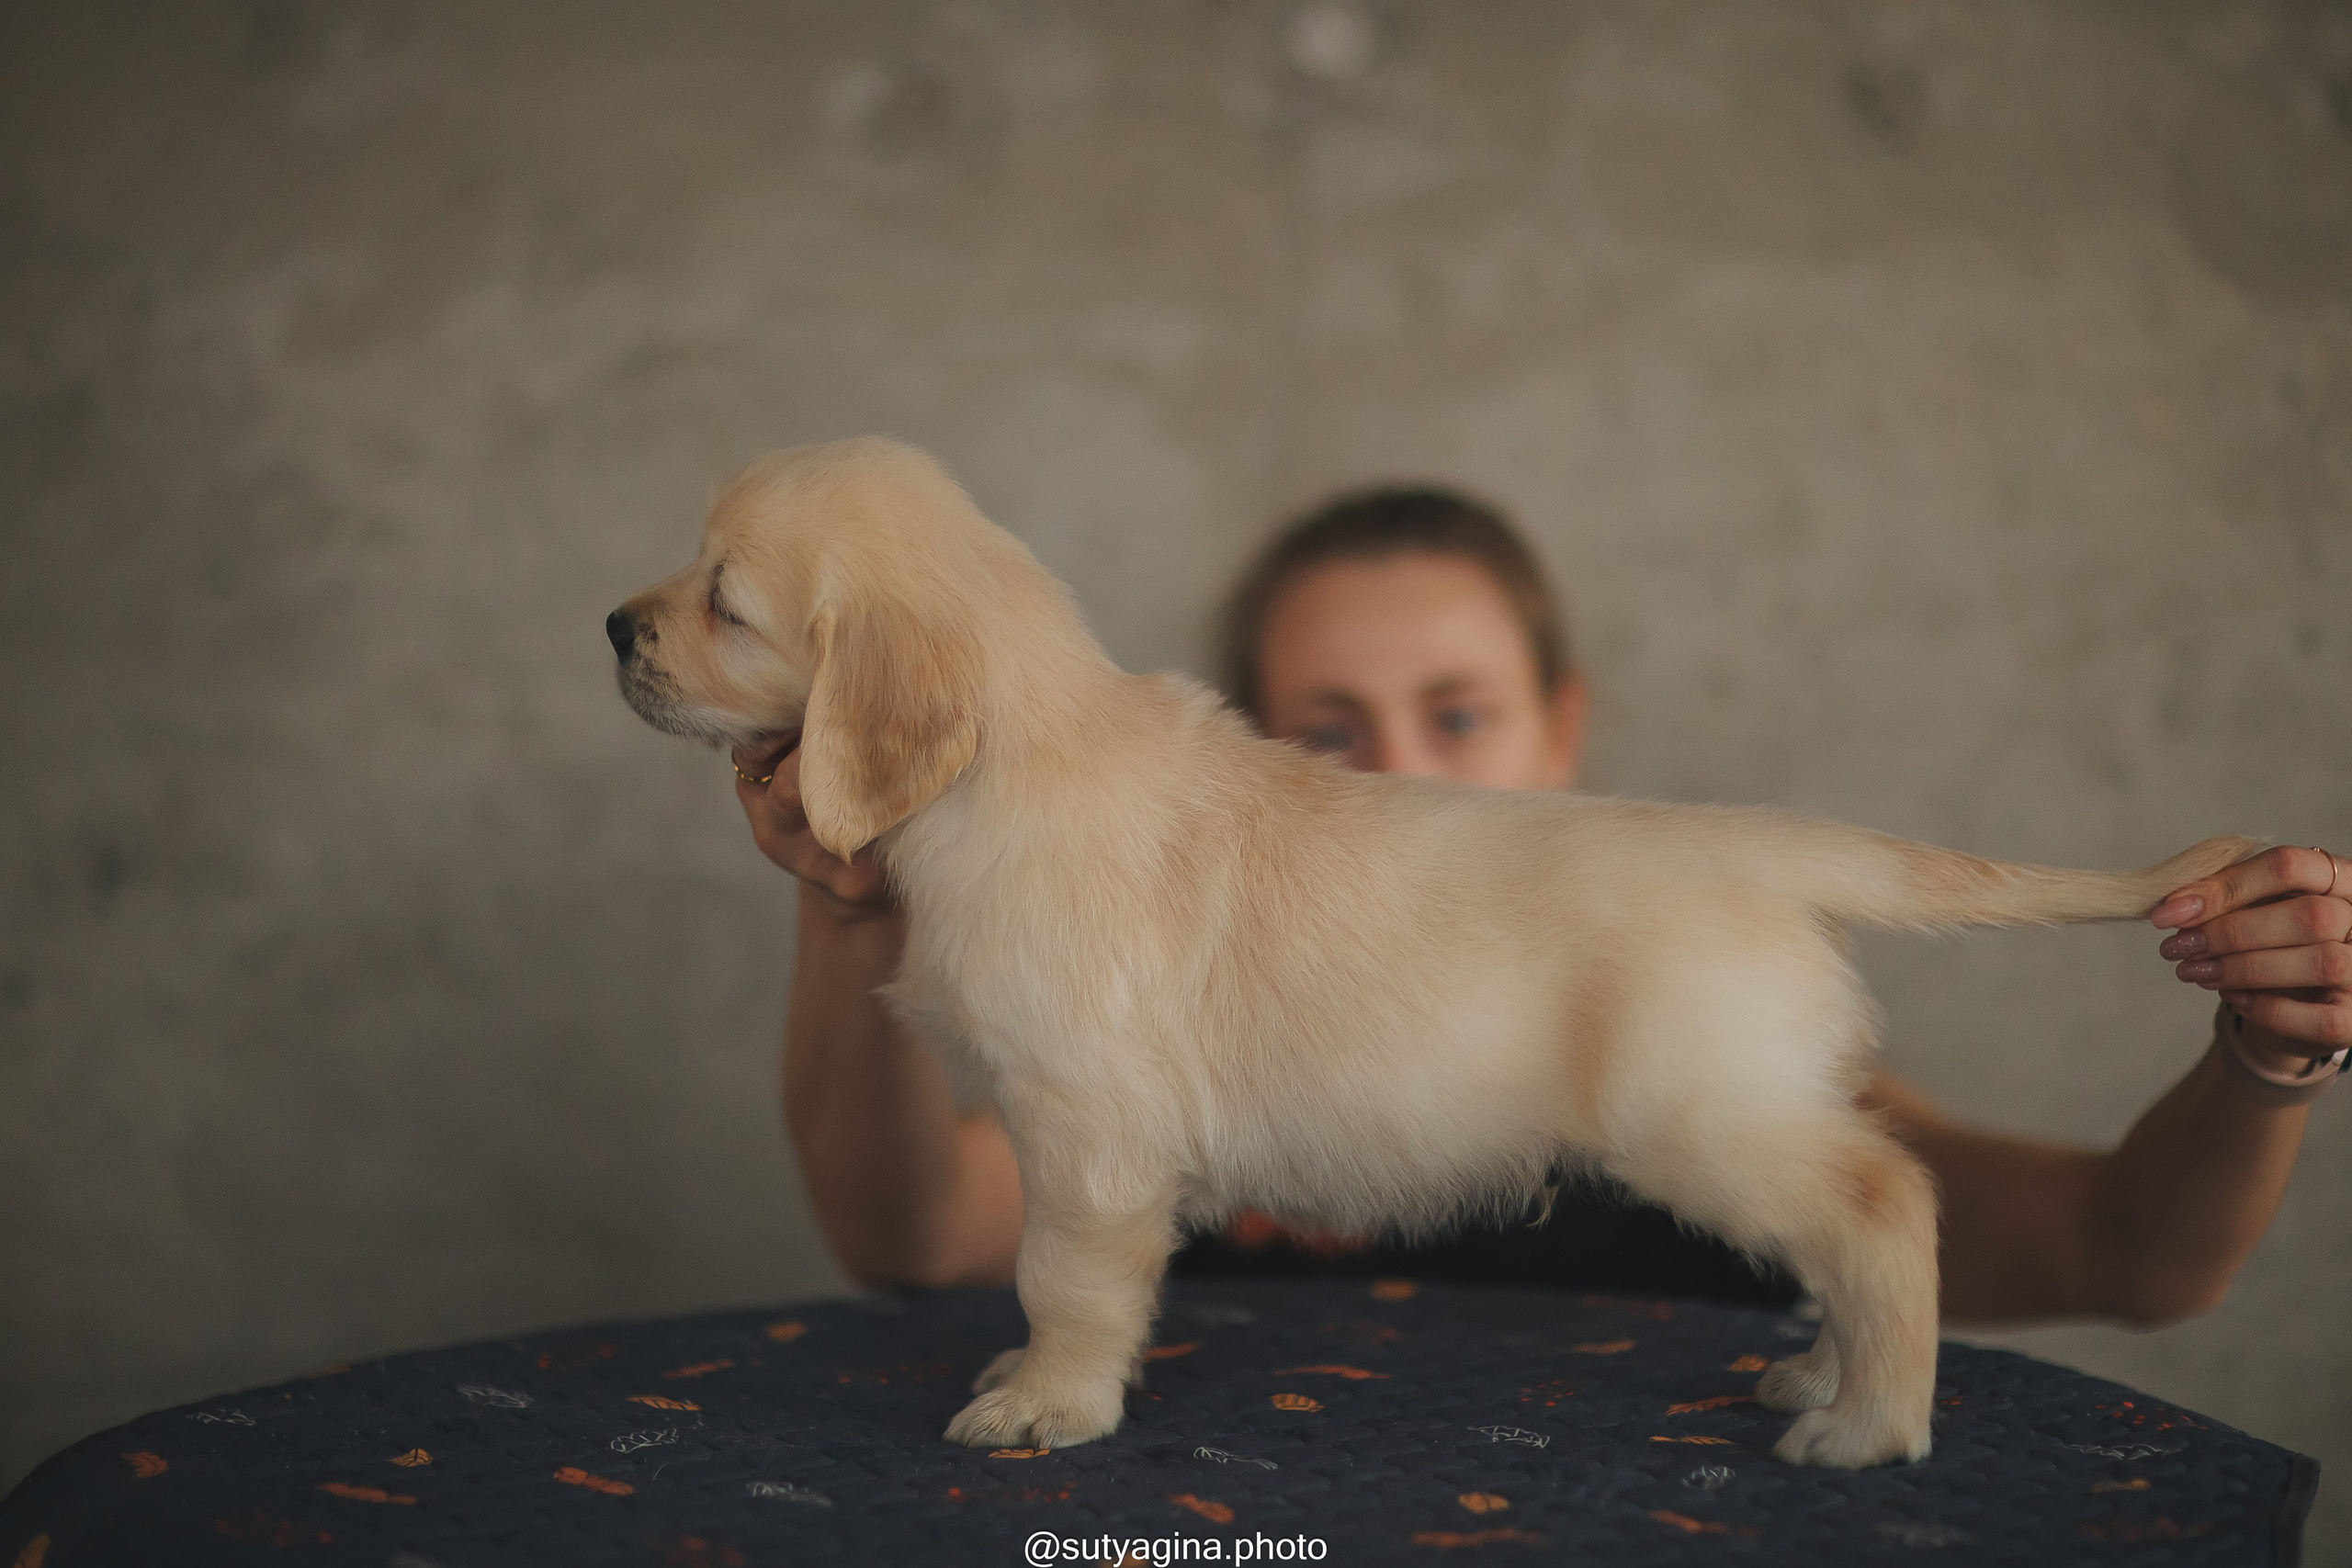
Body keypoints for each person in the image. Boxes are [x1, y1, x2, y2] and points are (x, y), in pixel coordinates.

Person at [732, 484, 2351, 1325]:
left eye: (1457, 713)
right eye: (1328, 733)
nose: (1405, 769)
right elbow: (915, 1235)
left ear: (1563, 726)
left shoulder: (1674, 976)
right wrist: (855, 900)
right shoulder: (1161, 984)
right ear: (1248, 763)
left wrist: (2264, 1061)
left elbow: (2127, 1263)